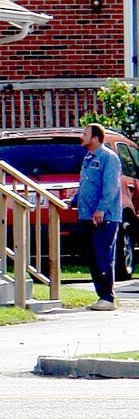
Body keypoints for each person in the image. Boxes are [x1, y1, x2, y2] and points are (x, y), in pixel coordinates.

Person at [75, 122, 123, 311]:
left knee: (103, 255)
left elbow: (110, 186)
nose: (82, 137)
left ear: (95, 138)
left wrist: (101, 209)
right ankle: (100, 296)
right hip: (87, 215)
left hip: (105, 217)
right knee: (92, 256)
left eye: (85, 134)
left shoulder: (108, 157)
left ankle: (108, 298)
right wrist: (73, 201)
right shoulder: (87, 158)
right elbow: (86, 186)